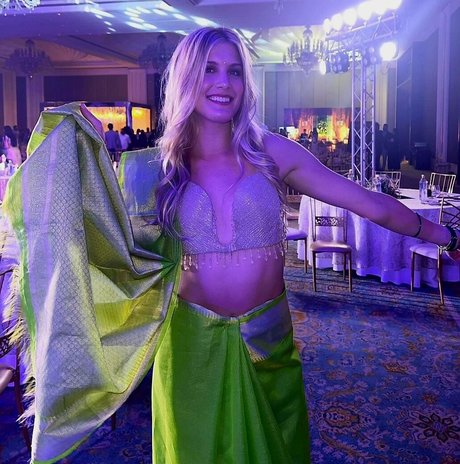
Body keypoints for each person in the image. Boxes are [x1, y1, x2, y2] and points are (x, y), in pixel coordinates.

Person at [2, 27, 459, 464]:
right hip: (190, 349)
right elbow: (108, 249)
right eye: (209, 69)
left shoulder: (272, 152)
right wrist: (77, 147)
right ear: (186, 77)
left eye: (234, 71)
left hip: (267, 341)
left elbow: (368, 203)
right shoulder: (153, 169)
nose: (224, 83)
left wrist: (446, 235)